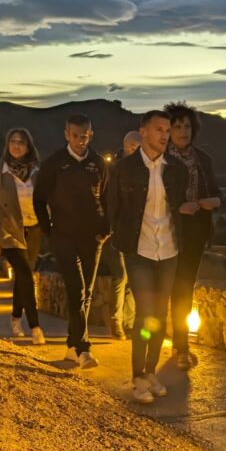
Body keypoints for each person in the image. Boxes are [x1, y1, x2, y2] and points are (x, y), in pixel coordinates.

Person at [106, 111, 189, 403]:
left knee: (160, 313)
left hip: (168, 249)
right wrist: (121, 238)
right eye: (159, 129)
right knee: (145, 312)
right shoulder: (123, 169)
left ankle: (151, 371)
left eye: (167, 130)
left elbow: (178, 207)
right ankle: (138, 376)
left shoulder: (176, 169)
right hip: (139, 250)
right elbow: (112, 207)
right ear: (143, 132)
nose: (165, 135)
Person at [33, 114, 109, 369]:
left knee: (86, 292)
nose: (80, 140)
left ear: (91, 134)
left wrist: (106, 230)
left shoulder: (98, 163)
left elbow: (107, 199)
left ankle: (71, 346)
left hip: (92, 238)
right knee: (76, 290)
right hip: (63, 237)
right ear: (66, 134)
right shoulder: (54, 163)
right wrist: (49, 231)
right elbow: (39, 199)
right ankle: (83, 348)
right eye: (75, 135)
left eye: (84, 136)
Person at [165, 101, 222, 370]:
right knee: (165, 286)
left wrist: (214, 201)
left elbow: (217, 192)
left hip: (195, 230)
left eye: (187, 126)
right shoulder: (160, 159)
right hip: (166, 230)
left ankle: (181, 346)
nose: (183, 131)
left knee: (184, 286)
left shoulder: (203, 159)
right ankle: (155, 342)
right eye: (177, 126)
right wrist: (177, 207)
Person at [0, 127, 46, 345]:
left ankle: (15, 317)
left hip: (33, 230)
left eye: (21, 142)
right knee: (26, 275)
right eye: (13, 142)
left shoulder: (36, 170)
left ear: (28, 146)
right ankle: (35, 326)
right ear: (7, 145)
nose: (16, 146)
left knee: (23, 276)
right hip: (8, 231)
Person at [98, 131, 142, 339]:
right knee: (121, 276)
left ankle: (130, 323)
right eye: (133, 146)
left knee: (134, 278)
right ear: (126, 146)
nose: (136, 149)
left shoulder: (145, 169)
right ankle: (116, 322)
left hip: (138, 233)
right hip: (115, 232)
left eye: (139, 146)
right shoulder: (112, 170)